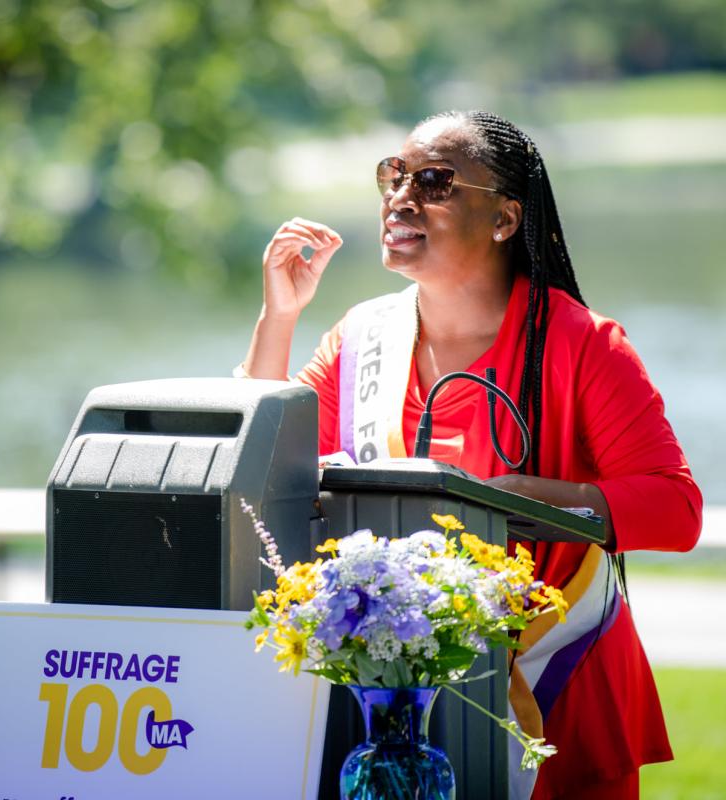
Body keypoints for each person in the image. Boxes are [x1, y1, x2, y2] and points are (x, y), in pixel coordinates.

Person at [239, 110, 702, 799]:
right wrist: (278, 317)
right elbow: (264, 466)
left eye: (433, 181)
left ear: (505, 219)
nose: (401, 197)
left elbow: (676, 509)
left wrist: (522, 501)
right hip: (395, 702)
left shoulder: (583, 345)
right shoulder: (360, 339)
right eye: (393, 177)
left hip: (560, 696)